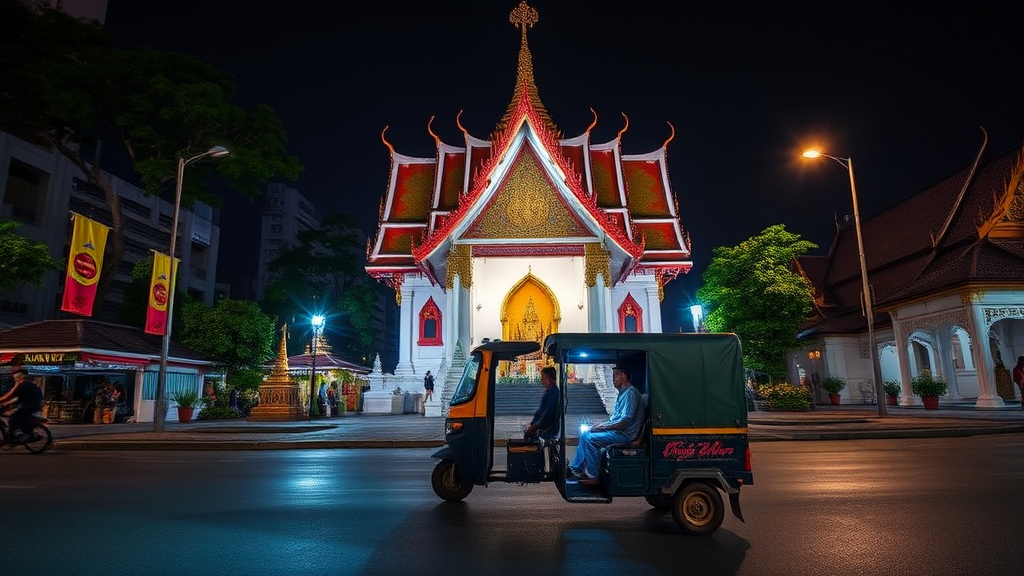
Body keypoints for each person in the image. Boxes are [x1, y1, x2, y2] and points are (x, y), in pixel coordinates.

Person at [568, 365, 644, 485]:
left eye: (616, 375)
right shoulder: (622, 394)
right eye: (612, 376)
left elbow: (625, 421)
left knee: (591, 439)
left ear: (624, 375)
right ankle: (577, 468)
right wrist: (600, 425)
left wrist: (604, 427)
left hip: (625, 434)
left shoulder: (630, 393)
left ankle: (593, 476)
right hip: (618, 431)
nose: (613, 379)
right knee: (586, 432)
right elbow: (615, 419)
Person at [0, 368, 44, 440]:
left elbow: (9, 396)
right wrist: (6, 403)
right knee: (18, 417)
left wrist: (3, 401)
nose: (15, 381)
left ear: (19, 378)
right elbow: (16, 398)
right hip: (36, 406)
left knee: (14, 417)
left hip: (29, 407)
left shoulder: (23, 386)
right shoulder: (32, 385)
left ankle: (16, 433)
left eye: (15, 379)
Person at [524, 366, 560, 441]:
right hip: (544, 425)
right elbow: (541, 411)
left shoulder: (552, 392)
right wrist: (533, 424)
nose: (541, 380)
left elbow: (547, 414)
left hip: (548, 428)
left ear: (548, 378)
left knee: (528, 436)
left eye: (543, 377)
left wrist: (534, 426)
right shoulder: (551, 391)